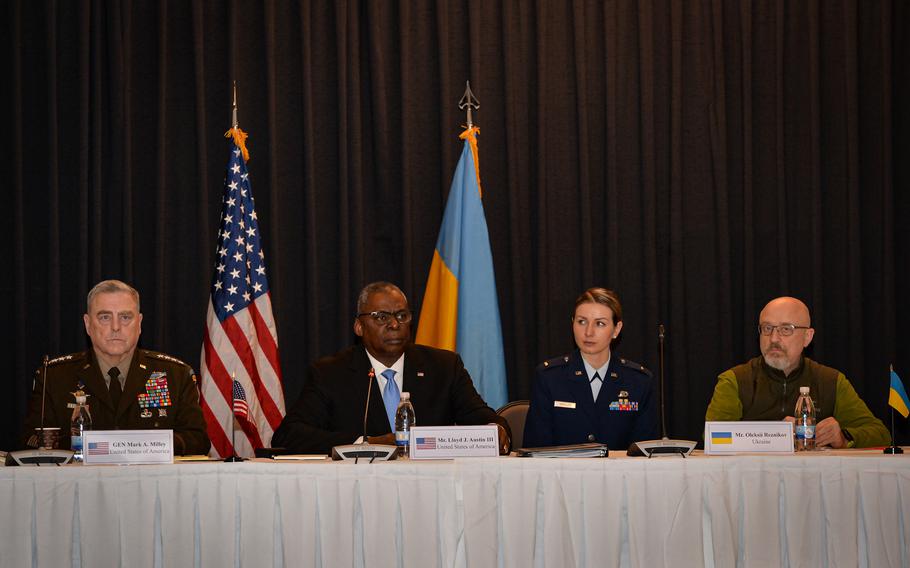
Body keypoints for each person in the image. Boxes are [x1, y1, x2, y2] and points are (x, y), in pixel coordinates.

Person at [272, 281, 511, 455]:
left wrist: (497, 429)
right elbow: (289, 434)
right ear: (358, 326)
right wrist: (367, 443)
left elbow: (483, 417)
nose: (394, 324)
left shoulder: (444, 367)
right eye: (381, 317)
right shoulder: (331, 373)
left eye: (401, 315)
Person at [21, 280, 210, 455]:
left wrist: (144, 447)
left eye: (125, 317)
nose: (116, 327)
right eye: (104, 317)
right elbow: (31, 440)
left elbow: (198, 440)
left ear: (140, 323)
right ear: (88, 324)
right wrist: (97, 449)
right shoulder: (54, 377)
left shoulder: (175, 375)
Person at [705, 296, 889, 448]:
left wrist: (843, 437)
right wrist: (776, 435)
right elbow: (714, 437)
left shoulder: (830, 381)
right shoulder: (735, 380)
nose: (774, 338)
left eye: (786, 329)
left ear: (807, 337)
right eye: (767, 328)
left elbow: (880, 434)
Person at [522, 288, 659, 450]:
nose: (588, 332)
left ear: (616, 329)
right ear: (572, 323)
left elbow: (645, 455)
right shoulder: (549, 378)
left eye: (600, 323)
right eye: (582, 321)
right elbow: (535, 449)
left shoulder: (638, 381)